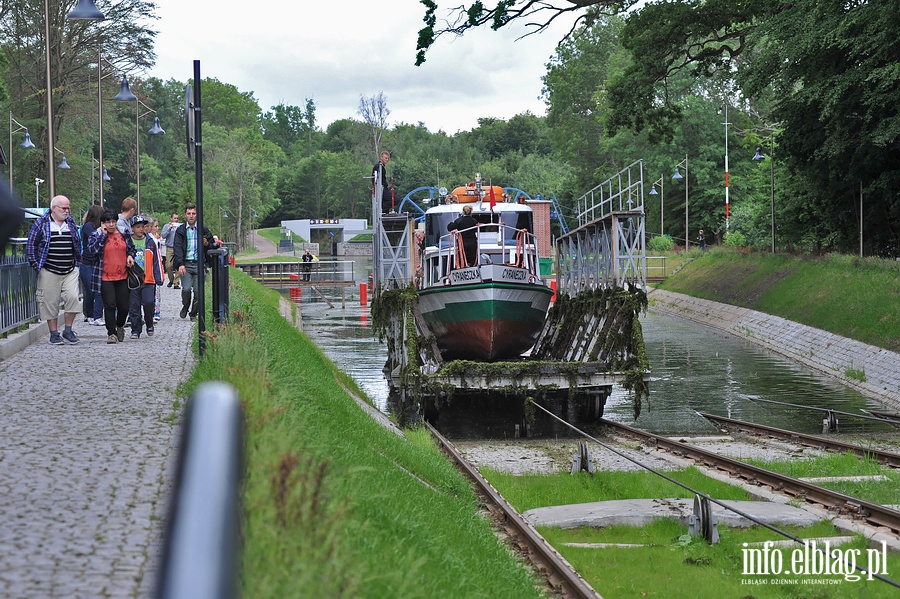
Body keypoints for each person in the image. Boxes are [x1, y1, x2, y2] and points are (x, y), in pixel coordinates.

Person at [26, 195, 83, 345]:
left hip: (69, 268)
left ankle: (68, 330)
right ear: (53, 208)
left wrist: (77, 262)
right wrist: (37, 265)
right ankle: (53, 333)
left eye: (68, 208)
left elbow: (77, 243)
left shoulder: (70, 223)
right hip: (49, 269)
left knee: (73, 298)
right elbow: (31, 244)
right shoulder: (41, 223)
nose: (66, 211)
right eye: (63, 208)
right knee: (50, 302)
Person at [88, 210, 137, 344]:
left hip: (122, 275)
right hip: (105, 276)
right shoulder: (96, 235)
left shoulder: (123, 233)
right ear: (102, 223)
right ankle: (111, 333)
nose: (111, 225)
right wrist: (103, 236)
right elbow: (92, 251)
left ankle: (120, 325)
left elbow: (131, 248)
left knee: (124, 307)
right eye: (108, 222)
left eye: (113, 221)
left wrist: (130, 255)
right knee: (110, 305)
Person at [172, 204, 216, 321]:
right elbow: (177, 248)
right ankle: (185, 306)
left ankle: (193, 313)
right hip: (186, 264)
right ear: (185, 215)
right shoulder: (181, 230)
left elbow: (213, 246)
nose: (191, 216)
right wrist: (180, 264)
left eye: (193, 213)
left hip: (199, 264)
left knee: (198, 291)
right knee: (186, 289)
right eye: (189, 213)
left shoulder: (203, 229)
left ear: (197, 215)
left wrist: (207, 244)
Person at [128, 215, 163, 338]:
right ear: (132, 228)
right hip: (133, 280)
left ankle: (149, 323)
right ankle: (135, 329)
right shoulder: (128, 242)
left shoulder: (150, 241)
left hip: (148, 278)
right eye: (138, 227)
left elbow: (157, 260)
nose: (141, 229)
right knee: (134, 305)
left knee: (149, 302)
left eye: (143, 226)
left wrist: (159, 278)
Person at [79, 205, 105, 326]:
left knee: (97, 290)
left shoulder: (97, 227)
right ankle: (89, 314)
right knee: (90, 290)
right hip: (87, 263)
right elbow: (94, 237)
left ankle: (96, 315)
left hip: (95, 262)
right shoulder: (88, 226)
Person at [147, 217, 165, 324]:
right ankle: (154, 312)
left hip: (157, 265)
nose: (157, 228)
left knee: (156, 291)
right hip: (152, 268)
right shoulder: (150, 238)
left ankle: (156, 311)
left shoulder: (155, 238)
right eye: (155, 226)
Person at [160, 212, 181, 289]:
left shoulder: (180, 226)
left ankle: (176, 282)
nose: (176, 220)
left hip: (178, 247)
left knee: (179, 264)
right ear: (171, 218)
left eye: (177, 218)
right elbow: (163, 235)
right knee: (168, 266)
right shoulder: (167, 226)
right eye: (175, 218)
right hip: (169, 247)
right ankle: (171, 280)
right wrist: (169, 229)